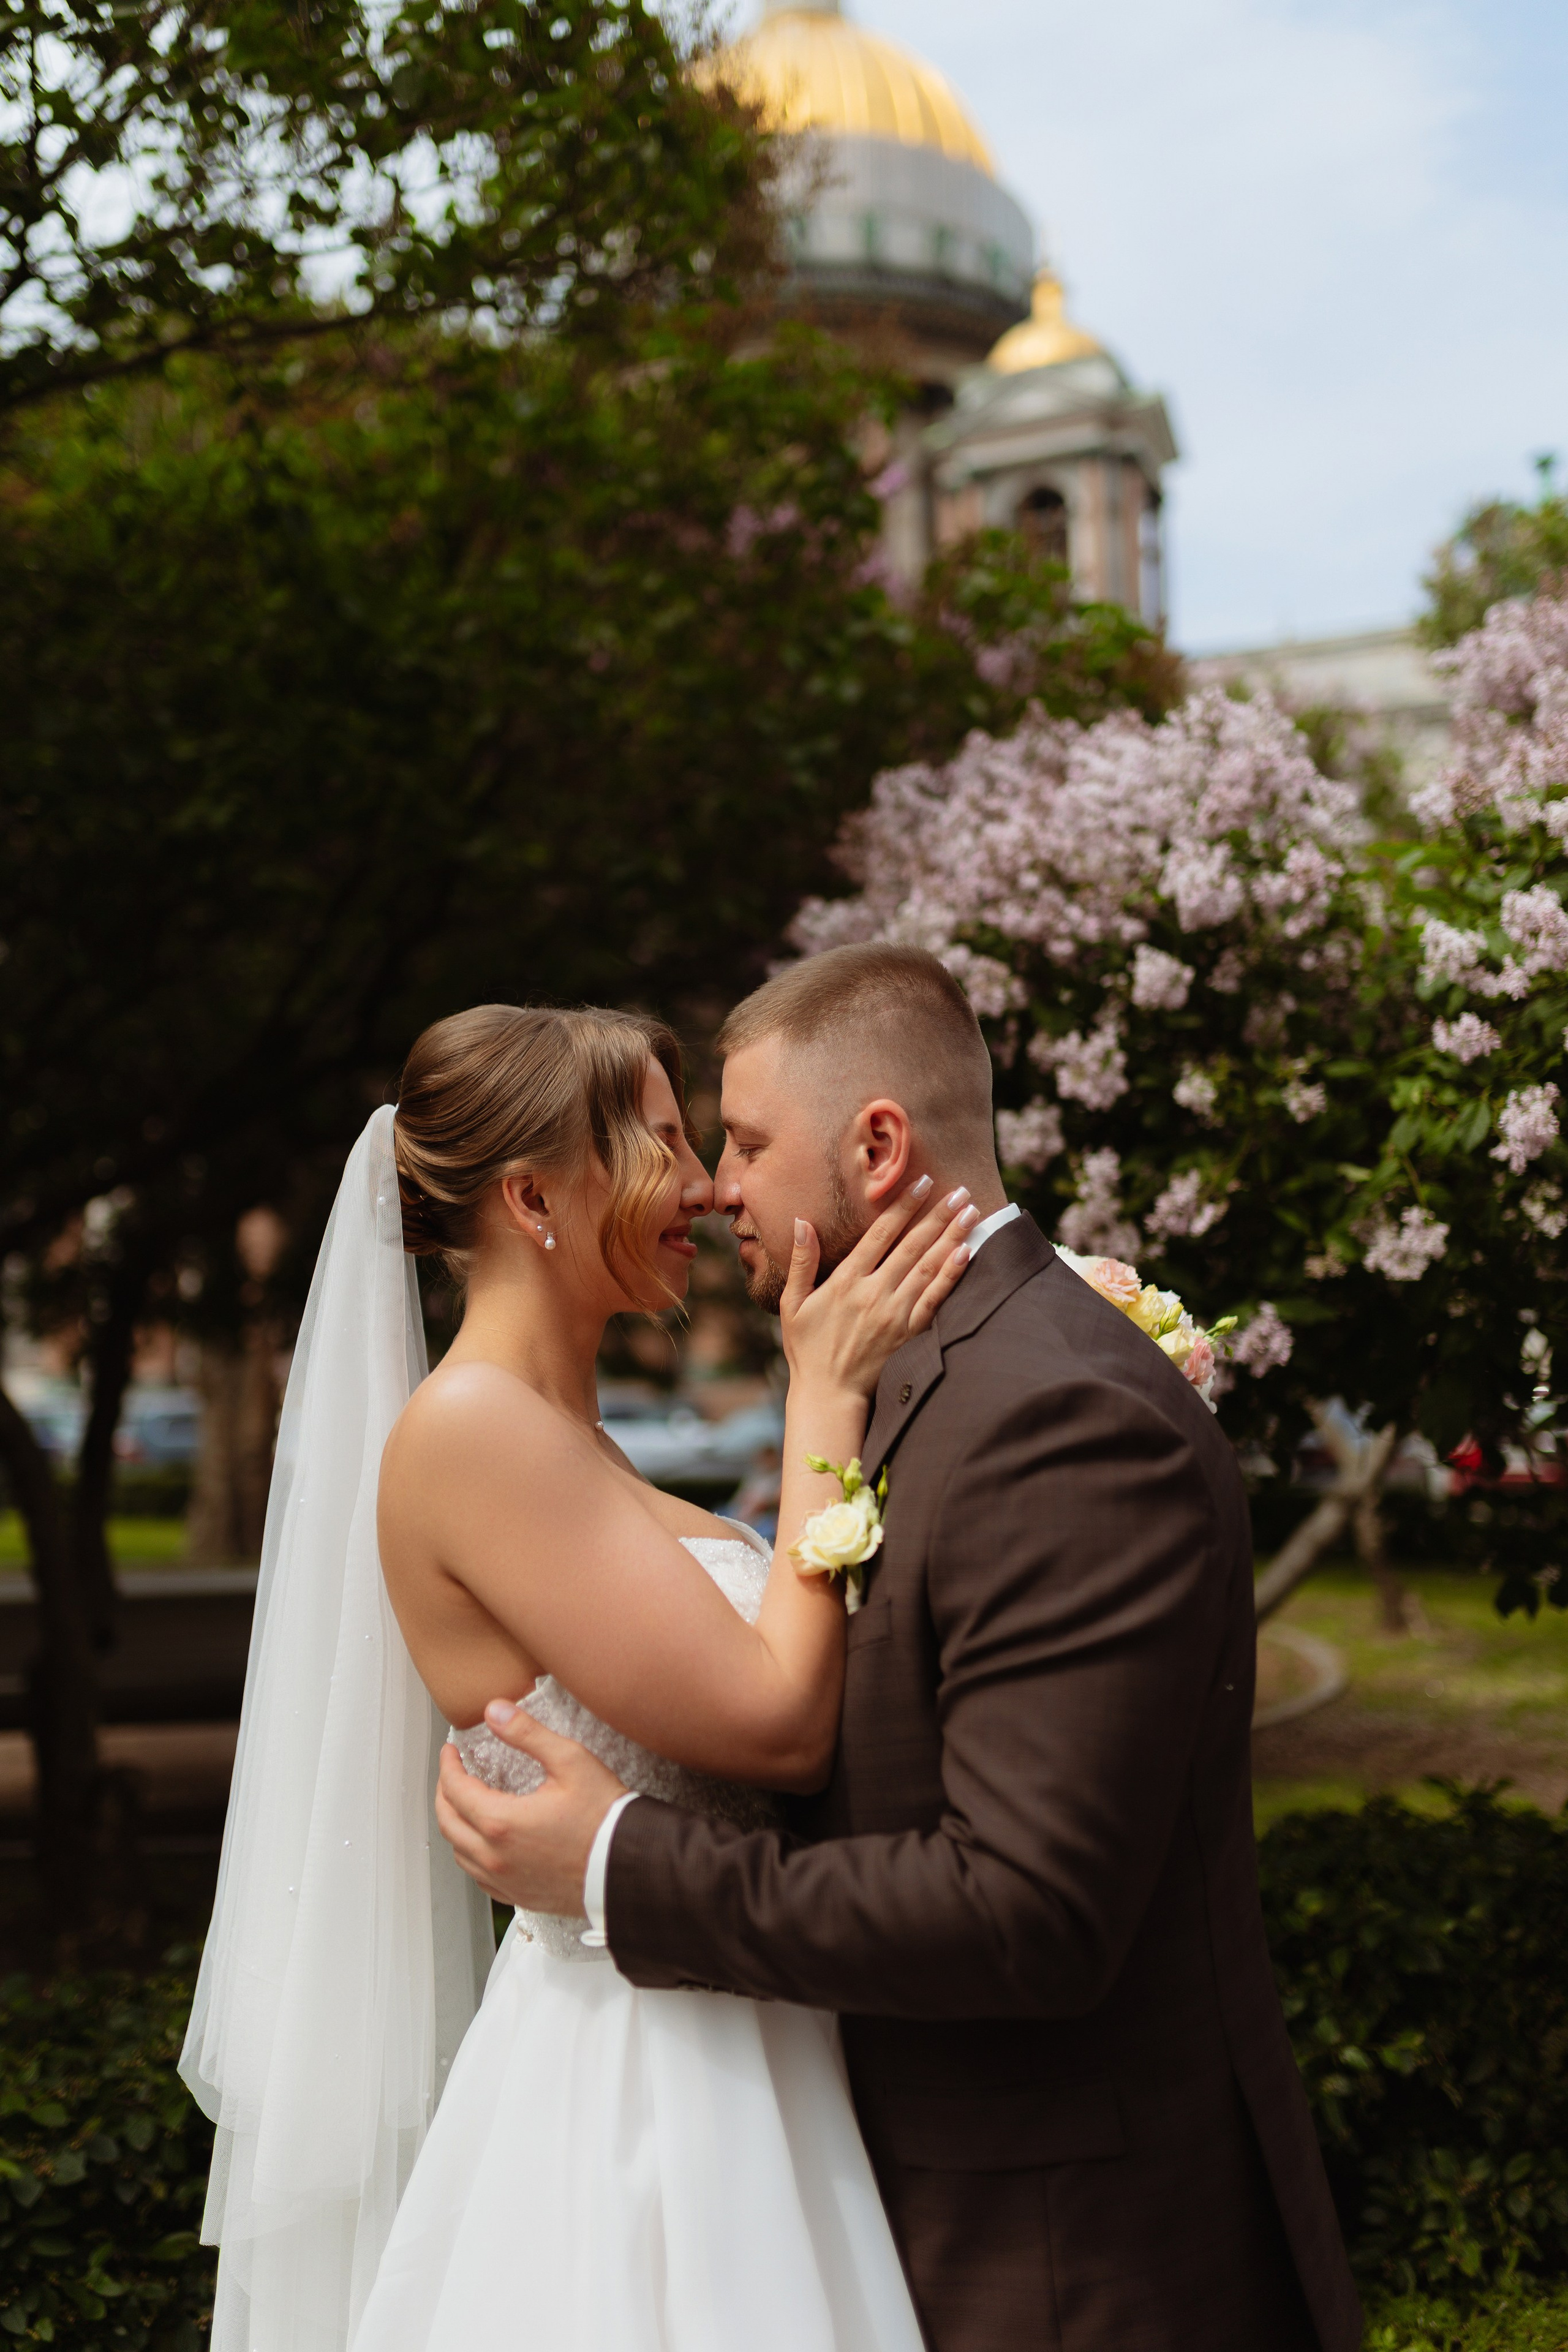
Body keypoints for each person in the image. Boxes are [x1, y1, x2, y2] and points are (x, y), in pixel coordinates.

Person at [435, 943, 1365, 2352]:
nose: (714, 1186)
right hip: (816, 2191)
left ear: (876, 1146)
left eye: (740, 1142)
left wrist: (620, 1863)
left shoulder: (1051, 1416)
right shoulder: (915, 1375)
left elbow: (1024, 1913)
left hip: (1055, 2262)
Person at [182, 1000, 975, 2352]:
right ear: (533, 1194)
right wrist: (823, 1398)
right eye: (662, 1143)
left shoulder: (569, 1438)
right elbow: (776, 1725)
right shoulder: (478, 1432)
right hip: (648, 2099)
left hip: (746, 2044)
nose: (708, 1185)